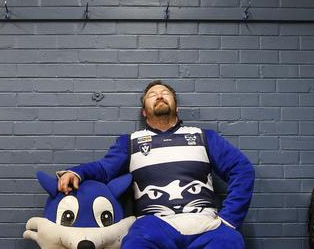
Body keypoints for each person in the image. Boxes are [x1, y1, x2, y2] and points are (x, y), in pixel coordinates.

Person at [57, 80, 255, 248]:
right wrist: (77, 173)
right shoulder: (130, 142)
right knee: (135, 242)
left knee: (230, 241)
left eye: (165, 93)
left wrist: (230, 219)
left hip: (205, 223)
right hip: (154, 225)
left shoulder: (204, 137)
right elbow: (104, 169)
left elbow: (242, 170)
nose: (159, 96)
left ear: (176, 107)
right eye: (152, 95)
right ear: (144, 111)